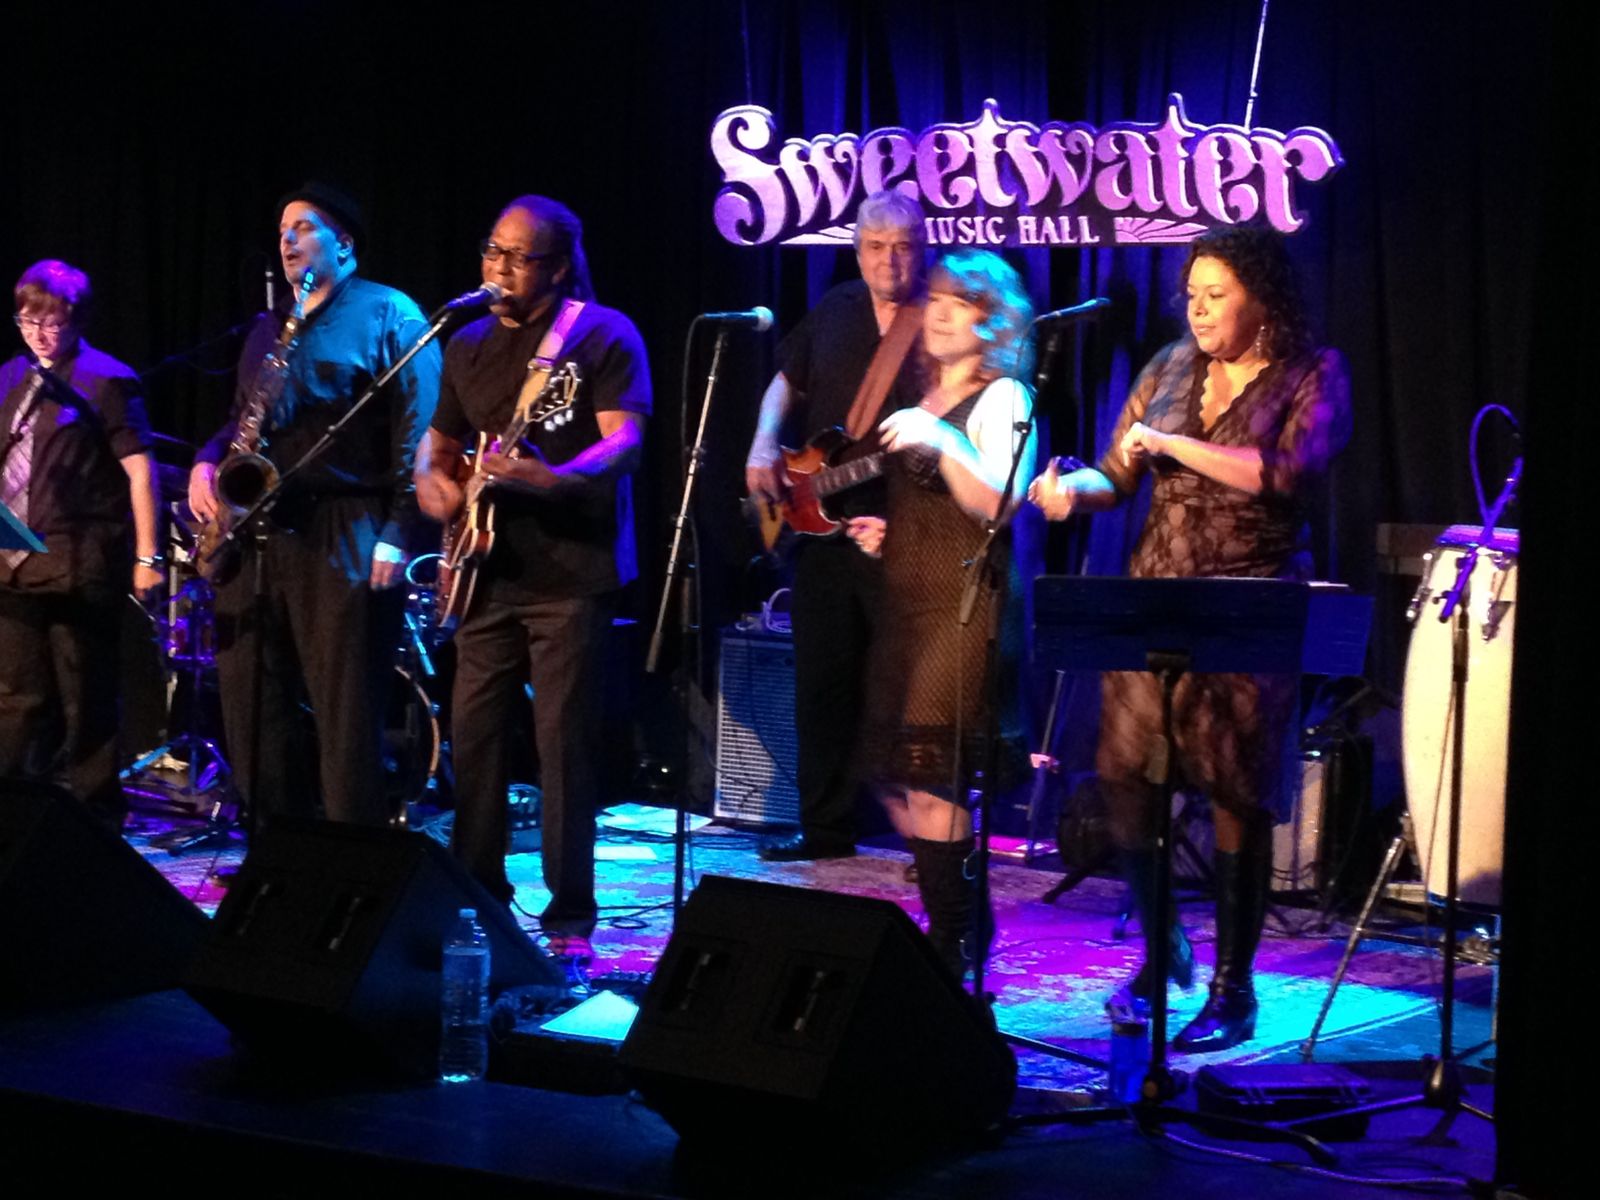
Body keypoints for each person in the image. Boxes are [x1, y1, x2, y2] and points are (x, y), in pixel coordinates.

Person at [1028, 225, 1351, 1051]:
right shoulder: (1170, 366)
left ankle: (1233, 989)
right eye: (1192, 296)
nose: (1199, 311)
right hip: (1159, 597)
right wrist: (1070, 493)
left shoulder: (1313, 372)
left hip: (1248, 600)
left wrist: (1172, 443)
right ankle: (1161, 942)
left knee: (1234, 788)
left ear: (1262, 299)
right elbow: (1117, 475)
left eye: (1217, 296)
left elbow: (1284, 473)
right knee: (1123, 772)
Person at [415, 195, 651, 970]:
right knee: (476, 736)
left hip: (570, 576)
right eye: (493, 251)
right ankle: (476, 894)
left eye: (518, 257)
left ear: (557, 267)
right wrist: (434, 487)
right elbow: (438, 446)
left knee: (563, 746)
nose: (500, 268)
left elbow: (624, 442)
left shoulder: (602, 334)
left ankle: (569, 913)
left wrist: (554, 479)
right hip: (484, 574)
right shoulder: (468, 342)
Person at [189, 182, 440, 828]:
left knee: (345, 713)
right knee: (252, 707)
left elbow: (419, 435)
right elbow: (241, 420)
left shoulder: (390, 314)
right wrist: (206, 460)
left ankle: (352, 860)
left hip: (345, 526)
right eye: (282, 230)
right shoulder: (268, 329)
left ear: (344, 244)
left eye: (303, 227)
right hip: (258, 532)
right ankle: (277, 853)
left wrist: (398, 532)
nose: (287, 239)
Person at [847, 248, 1035, 976]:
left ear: (993, 323)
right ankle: (964, 919)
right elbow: (936, 506)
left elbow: (998, 504)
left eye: (963, 303)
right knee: (888, 774)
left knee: (934, 778)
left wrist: (947, 440)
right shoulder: (924, 397)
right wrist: (890, 532)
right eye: (938, 300)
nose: (943, 313)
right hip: (907, 605)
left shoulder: (1004, 397)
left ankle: (953, 944)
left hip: (965, 609)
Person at [744, 190, 927, 862]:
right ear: (856, 250)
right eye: (876, 247)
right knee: (820, 683)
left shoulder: (941, 314)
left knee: (907, 691)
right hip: (823, 530)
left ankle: (927, 839)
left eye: (903, 247)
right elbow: (784, 381)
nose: (890, 261)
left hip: (906, 528)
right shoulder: (837, 308)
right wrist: (764, 442)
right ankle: (824, 828)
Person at [0, 261, 163, 830]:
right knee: (17, 698)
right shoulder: (9, 376)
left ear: (77, 319)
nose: (40, 334)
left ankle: (97, 826)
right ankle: (15, 818)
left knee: (86, 699)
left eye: (52, 322)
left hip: (80, 564)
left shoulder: (106, 379)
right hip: (12, 566)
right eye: (28, 321)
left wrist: (148, 556)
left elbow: (141, 473)